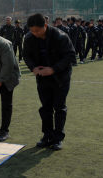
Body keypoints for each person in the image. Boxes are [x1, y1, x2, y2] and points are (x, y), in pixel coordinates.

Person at [23, 13, 75, 150]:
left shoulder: (60, 36)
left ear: (45, 25)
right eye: (32, 30)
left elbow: (70, 55)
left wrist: (53, 69)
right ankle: (47, 136)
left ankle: (58, 138)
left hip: (60, 77)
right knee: (45, 107)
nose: (34, 33)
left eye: (37, 30)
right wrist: (33, 67)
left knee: (59, 107)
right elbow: (26, 55)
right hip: (42, 77)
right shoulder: (29, 38)